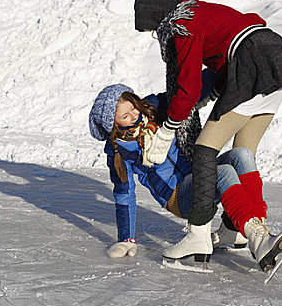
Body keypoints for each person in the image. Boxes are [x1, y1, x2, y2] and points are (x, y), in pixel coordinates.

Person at [133, 0, 282, 274]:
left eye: (155, 30)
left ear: (160, 16)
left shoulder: (183, 25)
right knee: (244, 153)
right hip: (278, 57)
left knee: (203, 150)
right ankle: (249, 233)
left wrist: (168, 129)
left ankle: (198, 235)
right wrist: (205, 97)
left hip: (252, 62)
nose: (158, 37)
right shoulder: (203, 13)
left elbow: (187, 87)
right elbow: (221, 64)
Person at [89, 83, 268, 263]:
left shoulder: (152, 107)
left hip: (197, 174)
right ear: (113, 125)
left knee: (241, 154)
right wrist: (126, 239)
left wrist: (219, 77)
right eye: (125, 116)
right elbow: (124, 194)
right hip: (178, 196)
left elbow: (185, 94)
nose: (135, 115)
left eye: (133, 107)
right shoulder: (119, 151)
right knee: (223, 172)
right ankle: (257, 239)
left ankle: (253, 227)